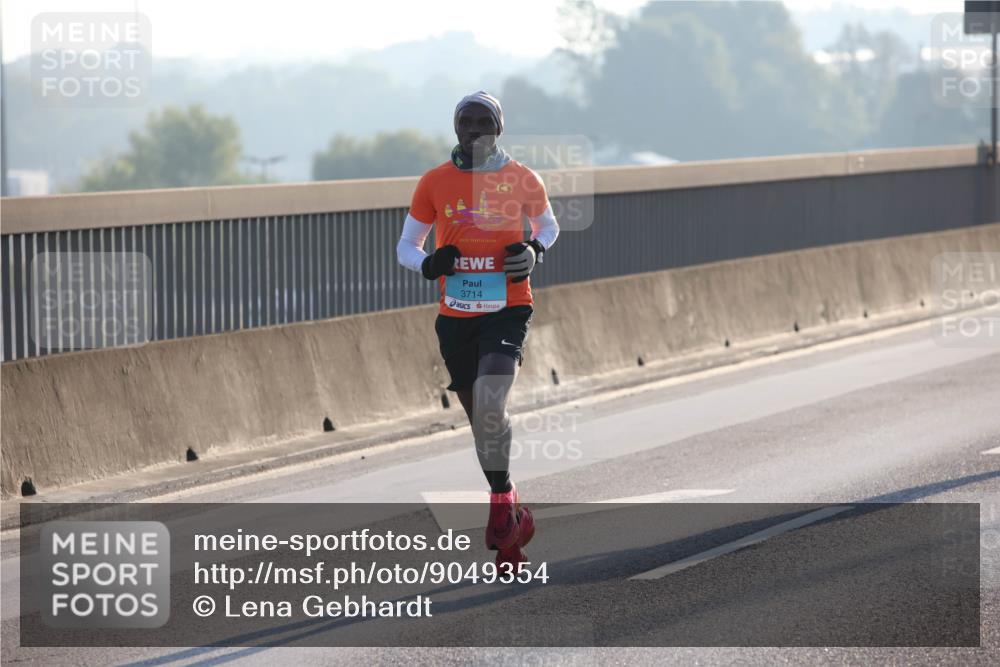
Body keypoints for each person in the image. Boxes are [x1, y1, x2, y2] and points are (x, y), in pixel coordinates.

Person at [396, 91, 559, 569]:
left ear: (499, 128)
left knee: (491, 402)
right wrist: (429, 264)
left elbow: (547, 228)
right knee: (480, 422)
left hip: (508, 308)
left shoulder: (522, 178)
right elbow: (407, 245)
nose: (473, 130)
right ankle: (507, 513)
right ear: (455, 129)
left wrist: (534, 252)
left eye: (483, 122)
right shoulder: (435, 182)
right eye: (465, 122)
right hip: (455, 316)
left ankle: (503, 514)